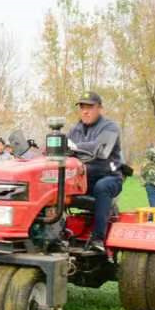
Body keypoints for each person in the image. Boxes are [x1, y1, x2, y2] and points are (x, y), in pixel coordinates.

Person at [67, 91, 123, 252]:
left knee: (102, 187)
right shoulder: (75, 130)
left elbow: (99, 147)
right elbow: (64, 148)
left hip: (109, 176)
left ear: (100, 109)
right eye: (82, 107)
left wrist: (74, 146)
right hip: (84, 177)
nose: (85, 111)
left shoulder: (110, 128)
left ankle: (98, 238)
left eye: (90, 107)